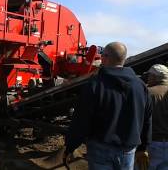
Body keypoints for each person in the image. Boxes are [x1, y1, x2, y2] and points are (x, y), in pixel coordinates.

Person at [63, 42, 152, 170]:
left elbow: (81, 120)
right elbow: (147, 119)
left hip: (100, 149)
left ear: (105, 57)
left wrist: (70, 147)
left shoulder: (94, 85)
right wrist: (143, 147)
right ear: (124, 59)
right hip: (128, 150)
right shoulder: (141, 86)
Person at [136, 64, 168, 170]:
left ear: (155, 77)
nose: (148, 78)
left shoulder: (147, 92)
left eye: (149, 75)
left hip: (151, 143)